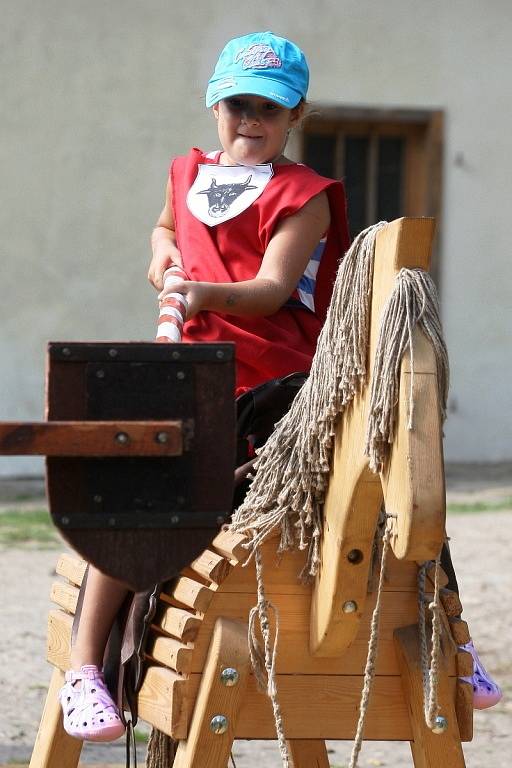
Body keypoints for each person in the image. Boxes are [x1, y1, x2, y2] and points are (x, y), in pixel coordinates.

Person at [58, 30, 351, 742]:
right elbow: (165, 232)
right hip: (188, 372)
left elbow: (271, 287)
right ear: (214, 104)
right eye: (237, 105)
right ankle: (83, 669)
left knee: (374, 489)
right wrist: (163, 258)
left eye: (269, 110)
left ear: (296, 115)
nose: (250, 121)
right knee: (137, 502)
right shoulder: (185, 174)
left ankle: (442, 635)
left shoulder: (303, 196)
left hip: (273, 383)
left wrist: (200, 298)